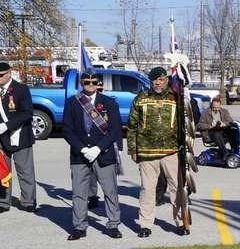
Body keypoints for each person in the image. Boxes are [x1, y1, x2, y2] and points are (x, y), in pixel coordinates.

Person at [126, 67, 194, 237]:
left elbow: (190, 120)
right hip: (147, 152)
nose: (158, 83)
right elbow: (132, 126)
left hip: (171, 151)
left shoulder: (176, 99)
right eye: (155, 80)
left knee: (177, 188)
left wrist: (185, 95)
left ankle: (180, 222)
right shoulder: (141, 99)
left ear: (166, 80)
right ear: (150, 81)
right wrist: (133, 149)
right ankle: (145, 224)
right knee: (147, 189)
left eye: (161, 79)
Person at [62, 70, 122, 239]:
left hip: (103, 153)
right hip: (80, 155)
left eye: (93, 82)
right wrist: (82, 149)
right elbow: (67, 129)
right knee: (79, 193)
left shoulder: (109, 102)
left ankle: (113, 225)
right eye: (87, 82)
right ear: (81, 83)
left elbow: (115, 129)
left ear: (98, 84)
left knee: (110, 191)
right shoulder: (72, 102)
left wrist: (98, 148)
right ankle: (79, 226)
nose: (90, 85)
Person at [0, 62, 37, 212]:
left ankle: (28, 202)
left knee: (25, 170)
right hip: (1, 139)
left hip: (20, 136)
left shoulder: (21, 89)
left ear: (9, 74)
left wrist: (6, 125)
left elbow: (27, 112)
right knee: (2, 170)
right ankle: (3, 202)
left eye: (1, 75)